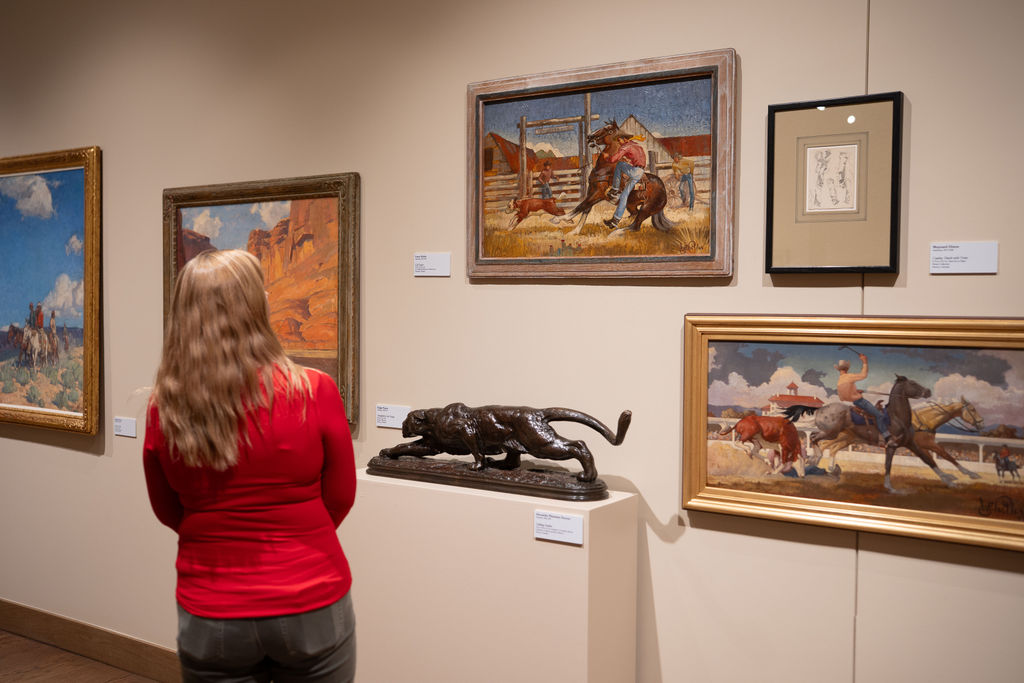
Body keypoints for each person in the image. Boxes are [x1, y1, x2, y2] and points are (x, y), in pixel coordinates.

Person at [143, 249, 357, 682]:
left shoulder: (166, 407)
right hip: (311, 597)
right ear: (257, 305)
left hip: (212, 608)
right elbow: (340, 498)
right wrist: (295, 538)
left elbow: (167, 510)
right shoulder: (314, 390)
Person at [835, 353, 890, 442]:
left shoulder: (839, 382)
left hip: (854, 402)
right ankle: (886, 436)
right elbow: (864, 375)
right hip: (860, 402)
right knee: (879, 415)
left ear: (839, 369)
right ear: (847, 369)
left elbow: (842, 397)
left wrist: (854, 392)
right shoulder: (849, 376)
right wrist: (864, 362)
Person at [603, 131, 647, 229]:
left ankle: (615, 189)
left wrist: (607, 157)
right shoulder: (636, 145)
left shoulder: (626, 146)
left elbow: (613, 159)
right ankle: (615, 220)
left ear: (624, 139)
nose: (619, 143)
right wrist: (628, 161)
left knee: (619, 165)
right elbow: (637, 158)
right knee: (624, 196)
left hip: (635, 171)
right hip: (640, 172)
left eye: (619, 140)